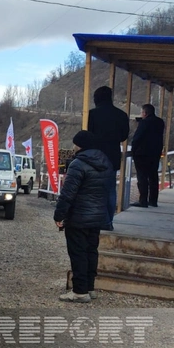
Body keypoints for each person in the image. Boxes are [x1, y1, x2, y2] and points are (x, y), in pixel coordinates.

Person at [54, 131, 113, 302]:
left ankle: (79, 291)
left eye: (75, 144)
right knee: (91, 251)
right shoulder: (106, 163)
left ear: (79, 145)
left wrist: (59, 215)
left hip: (78, 217)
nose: (73, 147)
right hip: (97, 216)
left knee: (78, 253)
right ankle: (89, 287)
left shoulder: (78, 164)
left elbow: (67, 194)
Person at [87, 86, 130, 229]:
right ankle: (108, 222)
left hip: (95, 157)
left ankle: (95, 220)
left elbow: (89, 134)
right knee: (110, 190)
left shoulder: (92, 114)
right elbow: (124, 136)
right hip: (112, 156)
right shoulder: (121, 115)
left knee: (94, 190)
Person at [129, 103, 166, 208]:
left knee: (142, 177)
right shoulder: (160, 122)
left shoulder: (144, 123)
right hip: (155, 153)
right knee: (153, 176)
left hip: (142, 154)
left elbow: (137, 138)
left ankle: (143, 200)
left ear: (145, 113)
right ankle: (153, 200)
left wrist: (133, 150)